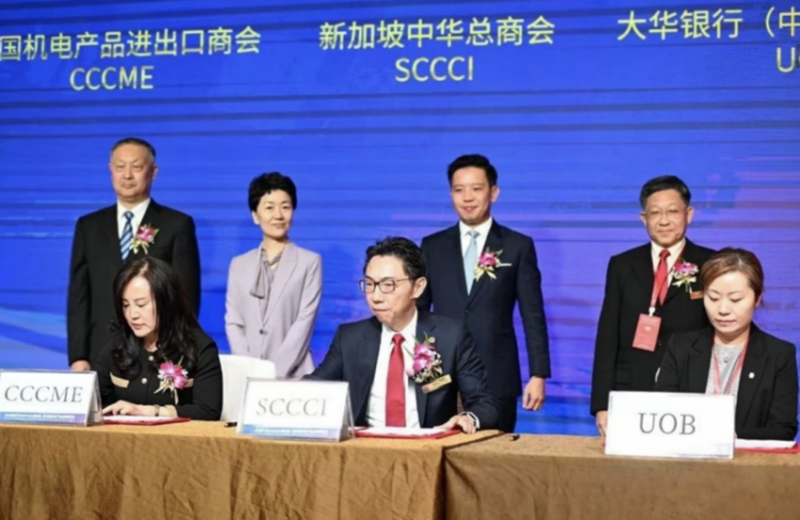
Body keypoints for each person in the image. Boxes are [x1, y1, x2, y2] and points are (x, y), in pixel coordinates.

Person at [307, 237, 498, 432]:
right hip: (366, 446)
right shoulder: (349, 338)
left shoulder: (451, 336)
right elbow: (311, 388)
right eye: (370, 284)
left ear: (418, 287)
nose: (376, 297)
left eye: (388, 285)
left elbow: (484, 404)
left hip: (427, 446)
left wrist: (467, 418)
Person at [417, 154, 549, 432]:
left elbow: (532, 314)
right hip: (440, 378)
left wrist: (538, 374)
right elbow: (418, 313)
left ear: (494, 192)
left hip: (496, 376)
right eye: (459, 190)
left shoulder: (517, 246)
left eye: (476, 188)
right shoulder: (432, 246)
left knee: (494, 454)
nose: (467, 197)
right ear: (451, 194)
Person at [591, 175, 716, 436]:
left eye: (673, 211)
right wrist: (601, 403)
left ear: (689, 214)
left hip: (692, 389)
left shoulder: (711, 263)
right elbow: (607, 336)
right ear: (643, 218)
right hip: (631, 388)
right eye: (655, 212)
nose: (664, 220)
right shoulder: (622, 265)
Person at [67, 137, 201, 372]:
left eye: (136, 167)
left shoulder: (176, 224)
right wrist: (78, 356)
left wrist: (174, 349)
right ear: (111, 170)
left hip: (155, 351)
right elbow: (79, 296)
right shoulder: (89, 226)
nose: (127, 175)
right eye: (120, 167)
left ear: (153, 172)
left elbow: (186, 294)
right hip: (100, 351)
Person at [655, 248, 798, 441]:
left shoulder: (778, 354)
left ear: (757, 298)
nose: (722, 309)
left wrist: (730, 437)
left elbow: (783, 429)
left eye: (735, 299)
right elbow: (661, 415)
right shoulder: (680, 347)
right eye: (713, 298)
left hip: (746, 459)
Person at [97, 257, 222, 420]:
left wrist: (150, 411)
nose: (132, 315)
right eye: (126, 305)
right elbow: (94, 401)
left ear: (166, 302)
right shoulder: (119, 344)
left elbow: (208, 411)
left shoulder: (199, 348)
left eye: (141, 305)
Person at [224, 172, 322, 378]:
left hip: (294, 375)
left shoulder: (309, 262)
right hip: (248, 376)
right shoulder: (239, 264)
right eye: (269, 207)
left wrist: (273, 373)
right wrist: (249, 369)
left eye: (285, 207)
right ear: (255, 215)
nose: (278, 215)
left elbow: (304, 322)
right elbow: (234, 322)